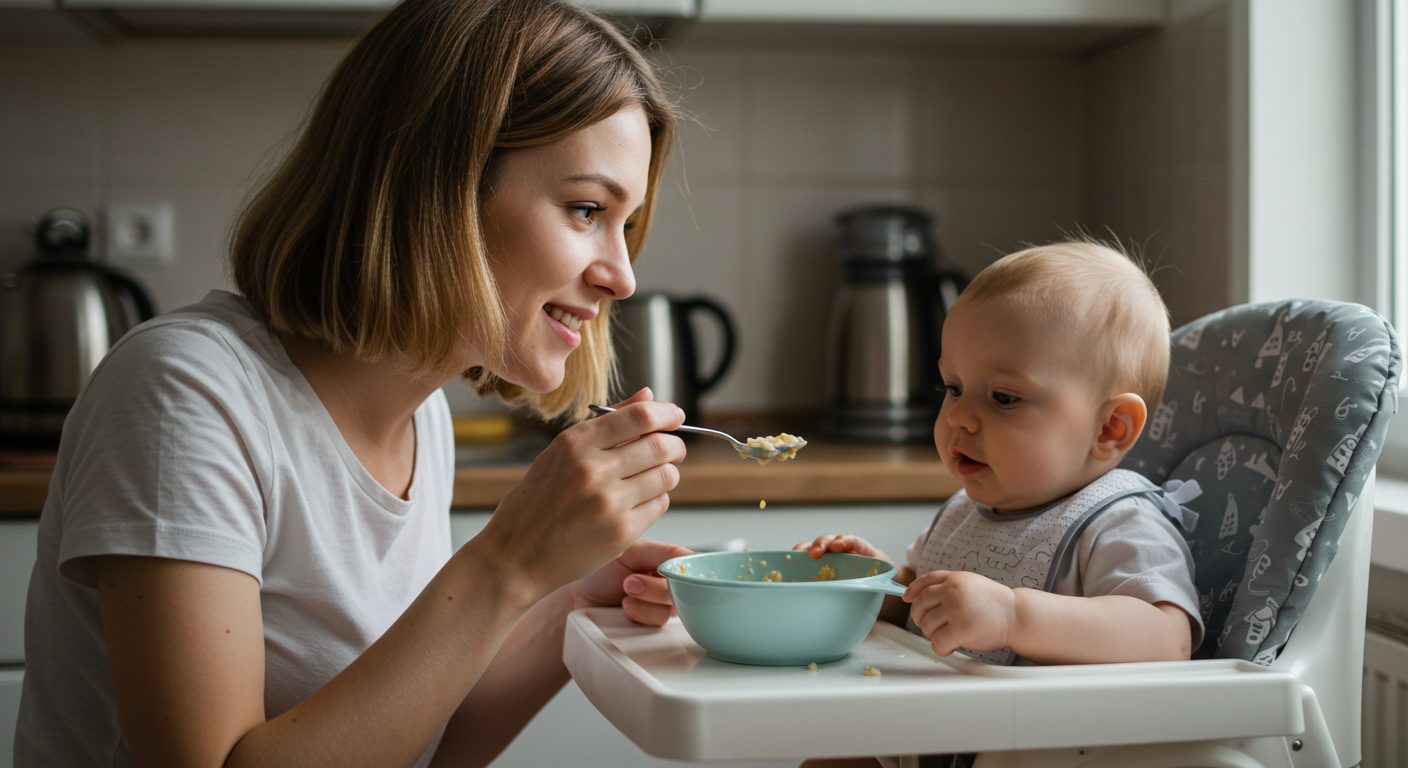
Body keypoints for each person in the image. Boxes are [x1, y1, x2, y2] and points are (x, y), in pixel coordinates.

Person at [16, 1, 694, 765]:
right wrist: (507, 562)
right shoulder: (185, 393)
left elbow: (412, 740)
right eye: (585, 210)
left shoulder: (419, 416)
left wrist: (568, 594)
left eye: (624, 224)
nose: (622, 276)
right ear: (438, 188)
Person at [798, 241, 1204, 768]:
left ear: (1110, 428)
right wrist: (874, 585)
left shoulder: (1120, 520)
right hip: (930, 738)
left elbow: (1165, 639)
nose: (960, 418)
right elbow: (928, 603)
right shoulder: (968, 509)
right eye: (953, 387)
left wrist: (1013, 616)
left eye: (1004, 398)